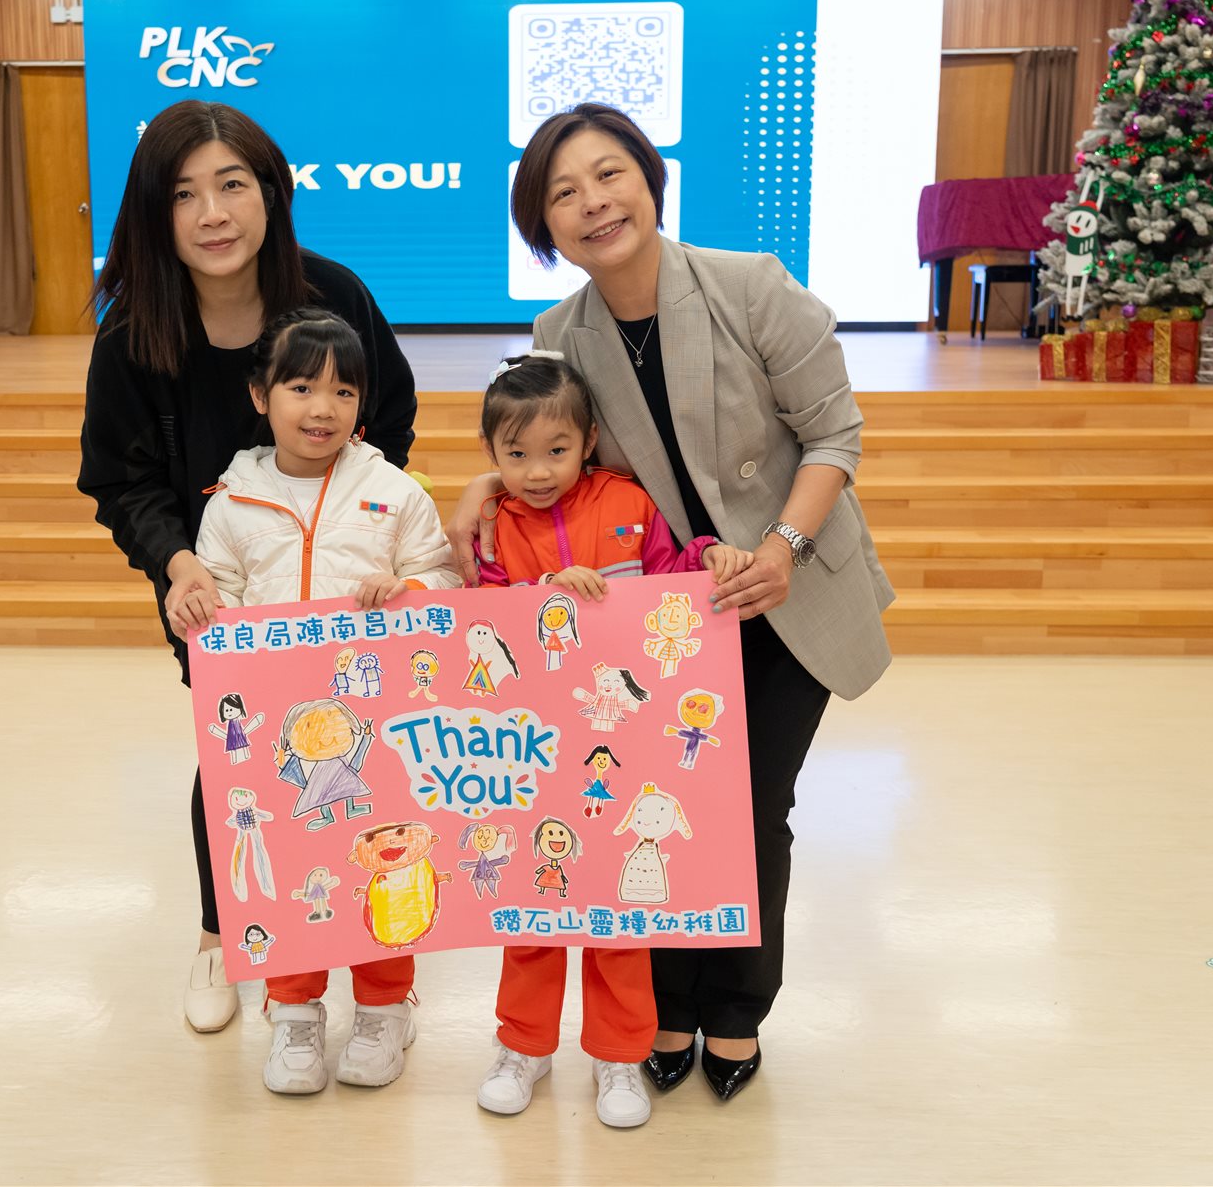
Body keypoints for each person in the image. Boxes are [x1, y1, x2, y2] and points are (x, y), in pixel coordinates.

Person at [451, 102, 895, 1103]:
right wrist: (483, 480)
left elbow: (834, 435)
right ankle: (664, 1005)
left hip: (779, 585)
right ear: (542, 224)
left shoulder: (751, 285)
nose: (592, 202)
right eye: (563, 193)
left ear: (648, 179)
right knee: (652, 805)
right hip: (656, 619)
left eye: (609, 174)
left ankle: (733, 1008)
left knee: (752, 806)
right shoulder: (559, 334)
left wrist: (781, 547)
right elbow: (552, 449)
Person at [76, 100, 417, 1036]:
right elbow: (120, 478)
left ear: (271, 192)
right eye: (184, 194)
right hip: (217, 588)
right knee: (236, 752)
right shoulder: (133, 333)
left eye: (232, 185)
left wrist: (352, 524)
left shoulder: (334, 295)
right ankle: (222, 933)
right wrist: (180, 563)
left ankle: (374, 947)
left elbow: (388, 418)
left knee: (358, 749)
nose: (213, 213)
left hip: (343, 586)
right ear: (155, 214)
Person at [463, 351, 752, 1129]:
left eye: (557, 449)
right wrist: (541, 596)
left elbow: (669, 582)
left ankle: (619, 1054)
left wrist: (706, 556)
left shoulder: (628, 501)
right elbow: (478, 616)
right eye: (516, 453)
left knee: (619, 915)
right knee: (535, 905)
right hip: (530, 749)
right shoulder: (492, 524)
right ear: (490, 453)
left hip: (626, 746)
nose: (537, 471)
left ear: (589, 440)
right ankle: (521, 1046)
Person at [193, 307, 459, 1095]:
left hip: (378, 725)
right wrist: (202, 607)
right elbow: (218, 599)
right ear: (260, 395)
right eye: (302, 387)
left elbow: (444, 579)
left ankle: (383, 1008)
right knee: (290, 869)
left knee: (389, 860)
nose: (324, 408)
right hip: (280, 732)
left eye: (344, 391)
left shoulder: (392, 491)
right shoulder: (231, 502)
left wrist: (408, 587)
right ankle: (295, 1013)